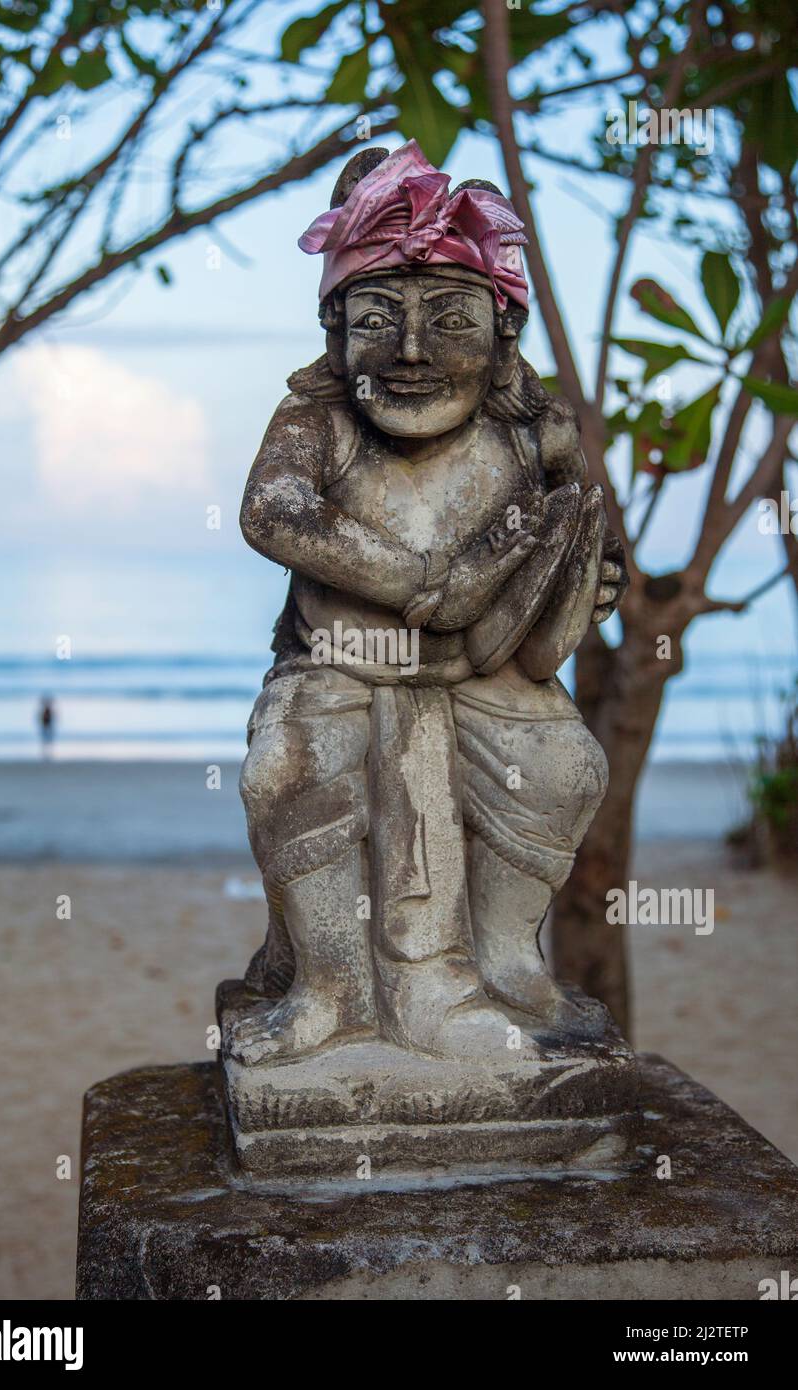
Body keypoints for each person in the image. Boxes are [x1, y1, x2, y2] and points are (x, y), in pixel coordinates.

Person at [232, 142, 628, 1068]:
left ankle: (504, 963)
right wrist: (424, 586)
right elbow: (273, 511)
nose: (413, 352)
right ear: (337, 333)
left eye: (451, 320)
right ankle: (328, 986)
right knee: (285, 770)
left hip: (489, 673)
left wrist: (592, 578)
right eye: (379, 318)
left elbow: (587, 536)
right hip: (338, 666)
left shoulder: (533, 430)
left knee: (563, 768)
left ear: (502, 334)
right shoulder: (315, 421)